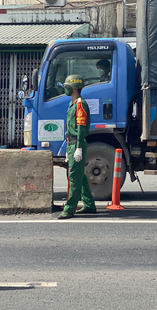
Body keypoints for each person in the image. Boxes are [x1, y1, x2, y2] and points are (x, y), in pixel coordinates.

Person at [58, 74, 96, 219]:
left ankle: (69, 209)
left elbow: (80, 127)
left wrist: (78, 147)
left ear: (74, 89)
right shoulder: (73, 104)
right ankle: (89, 205)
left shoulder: (80, 104)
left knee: (74, 178)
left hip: (77, 143)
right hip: (71, 143)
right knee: (80, 176)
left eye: (67, 87)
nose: (65, 90)